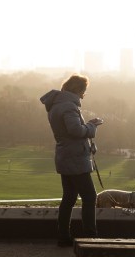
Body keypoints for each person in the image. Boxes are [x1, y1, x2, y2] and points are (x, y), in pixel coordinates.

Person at [40, 74, 104, 246]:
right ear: (77, 89)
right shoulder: (69, 107)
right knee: (90, 196)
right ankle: (90, 236)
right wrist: (91, 126)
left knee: (69, 197)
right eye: (84, 91)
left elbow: (69, 133)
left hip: (65, 156)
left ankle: (63, 236)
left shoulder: (57, 105)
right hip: (75, 159)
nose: (84, 94)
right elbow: (75, 130)